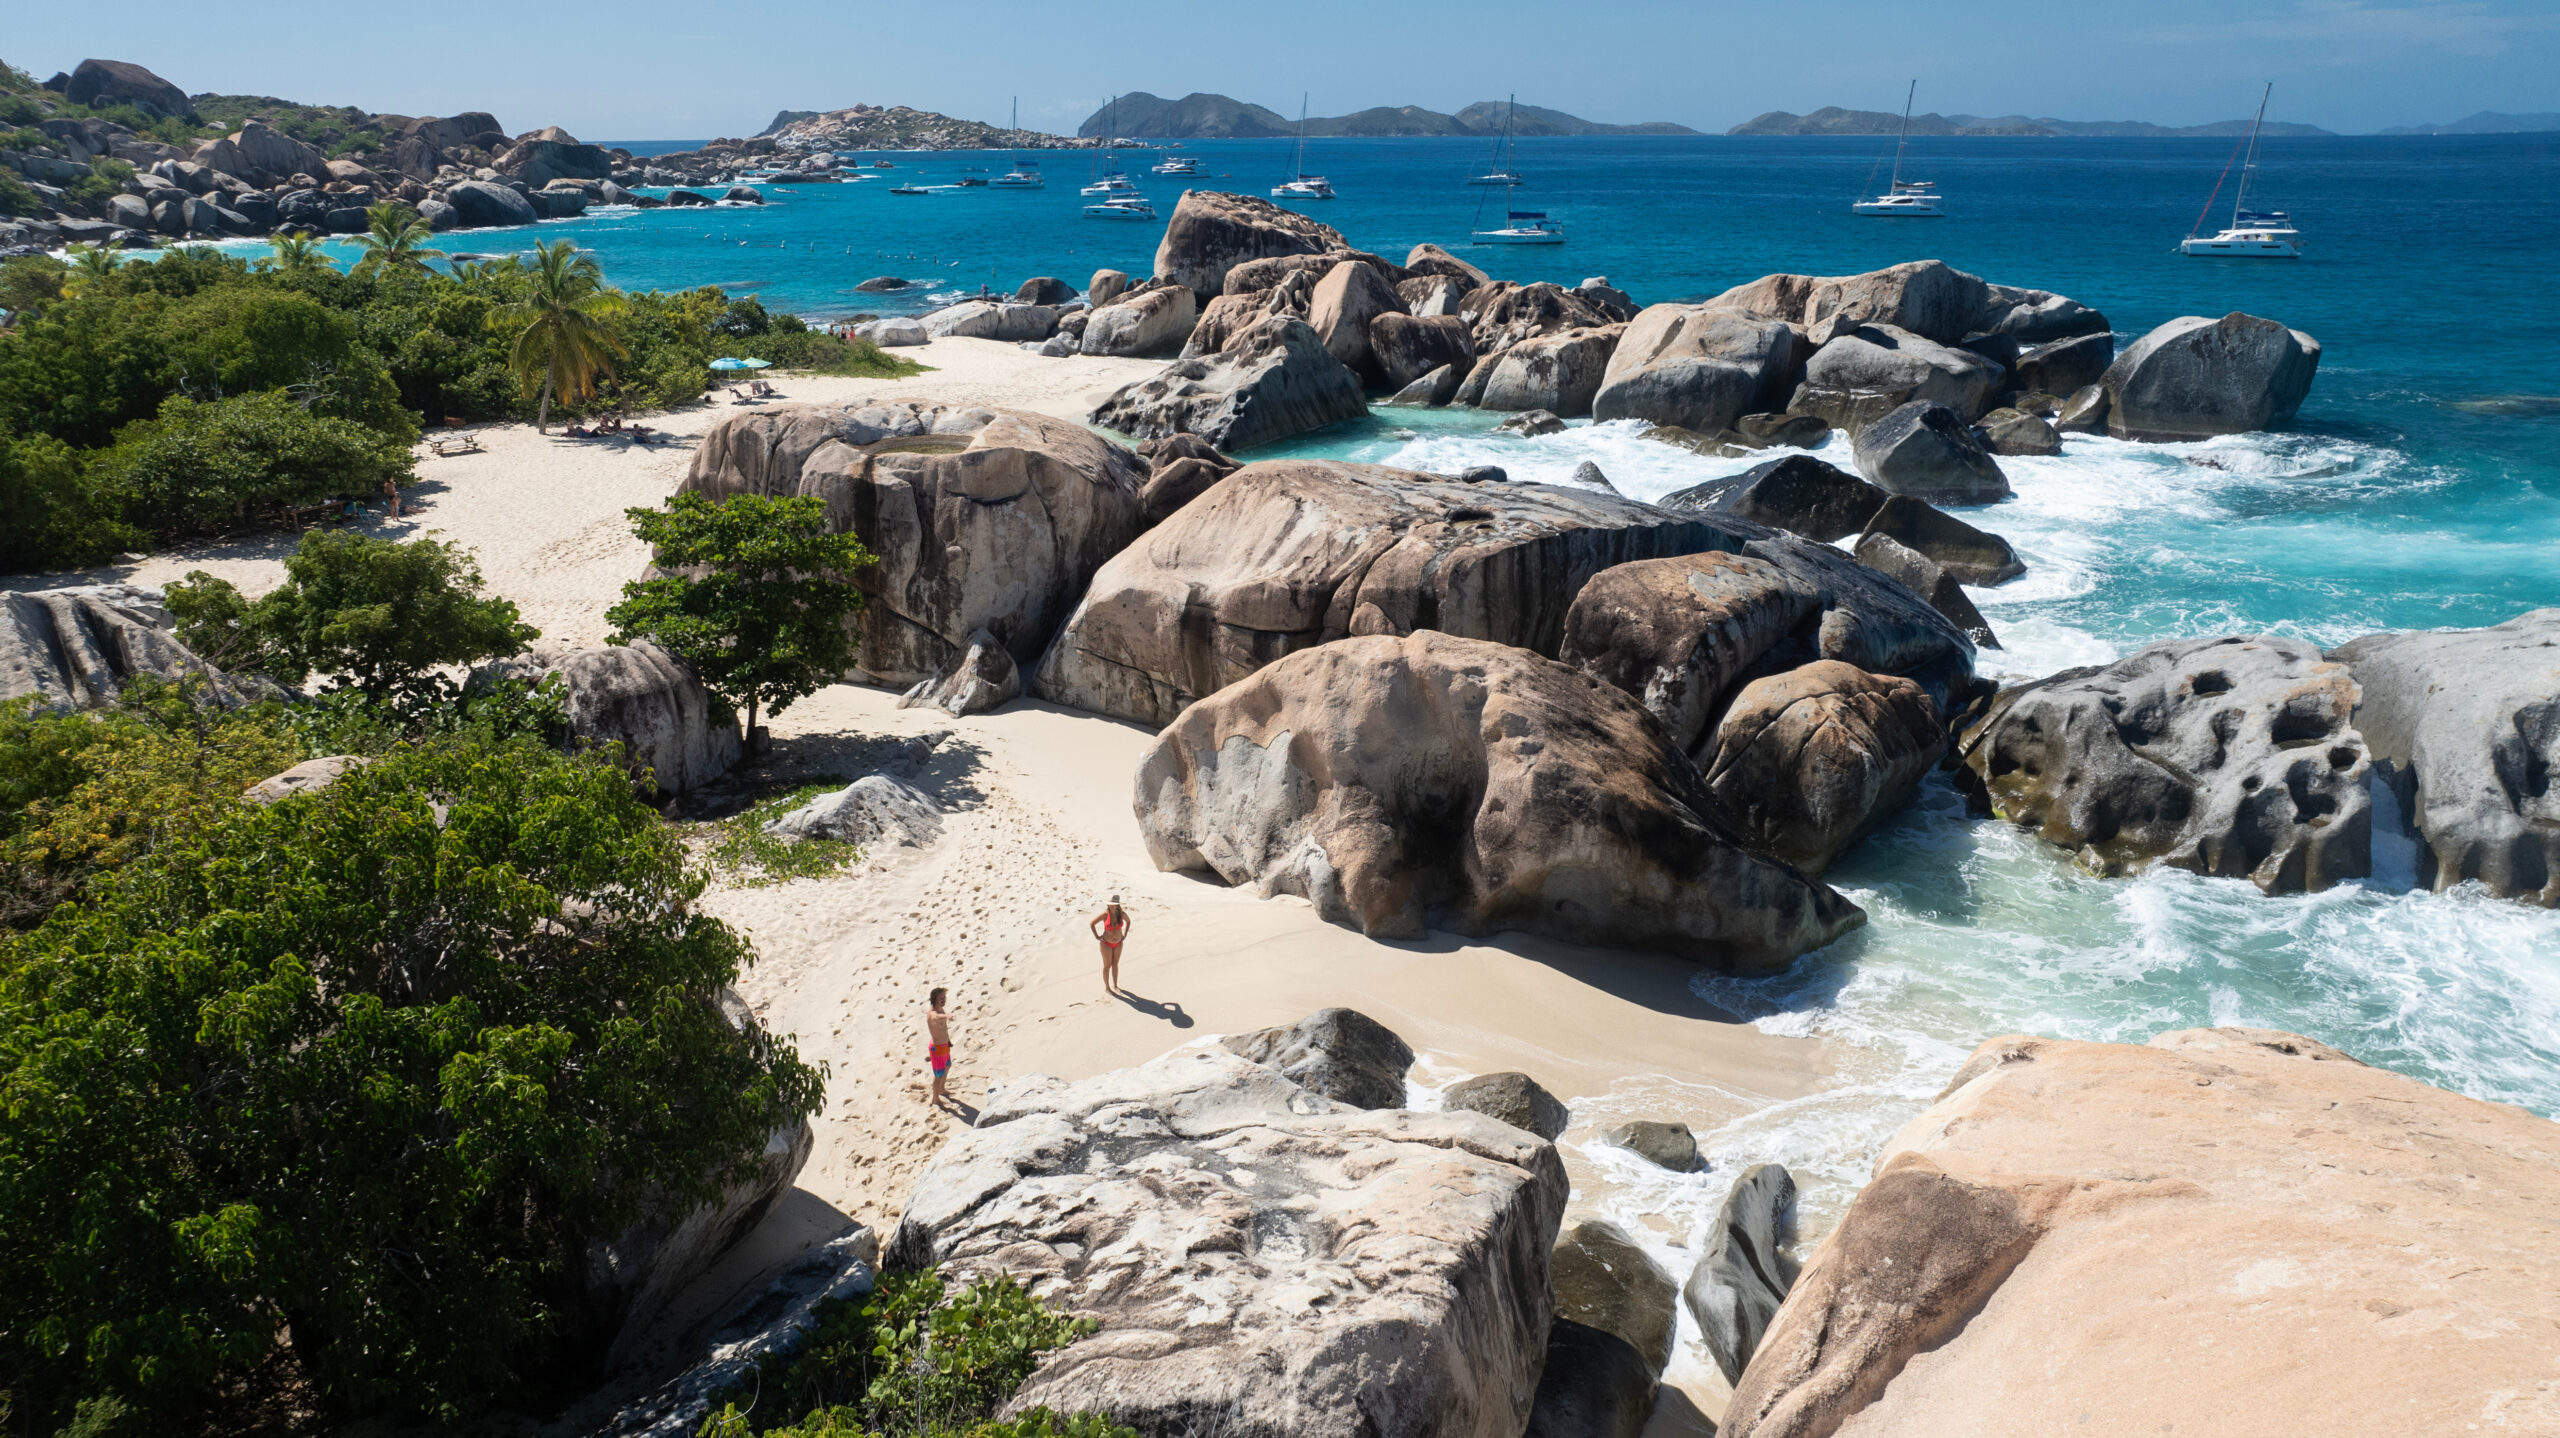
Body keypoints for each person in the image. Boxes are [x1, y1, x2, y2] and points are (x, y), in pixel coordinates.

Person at [1090, 897, 1131, 993]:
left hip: (1118, 943)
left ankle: (1115, 985)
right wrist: (1097, 936)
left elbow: (1128, 921)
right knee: (1107, 966)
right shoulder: (1105, 915)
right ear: (1108, 905)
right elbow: (1092, 923)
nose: (1112, 907)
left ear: (1117, 905)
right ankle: (1107, 987)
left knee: (1115, 964)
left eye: (1114, 905)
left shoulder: (1122, 914)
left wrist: (1125, 934)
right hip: (1106, 943)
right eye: (1110, 905)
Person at [926, 986, 952, 1106]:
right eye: (941, 998)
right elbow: (935, 1018)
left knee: (948, 1066)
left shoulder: (941, 1010)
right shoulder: (932, 1013)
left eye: (944, 997)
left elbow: (943, 1028)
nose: (943, 999)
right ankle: (935, 1098)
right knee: (938, 1075)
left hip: (945, 1045)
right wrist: (947, 1016)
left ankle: (941, 1089)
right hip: (937, 1049)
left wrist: (948, 1041)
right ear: (935, 999)